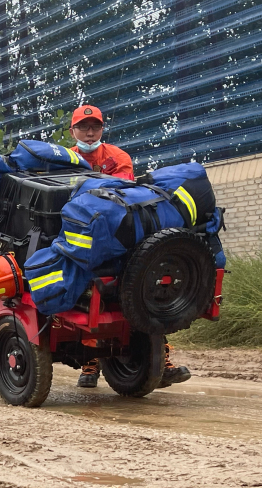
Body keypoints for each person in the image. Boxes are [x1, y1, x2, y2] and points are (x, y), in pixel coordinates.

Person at [69, 105, 190, 389]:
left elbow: (122, 195)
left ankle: (161, 360)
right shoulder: (64, 159)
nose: (89, 132)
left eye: (95, 127)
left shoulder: (117, 157)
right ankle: (90, 363)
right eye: (83, 127)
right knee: (86, 293)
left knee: (143, 292)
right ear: (72, 130)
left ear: (102, 129)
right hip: (78, 235)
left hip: (119, 234)